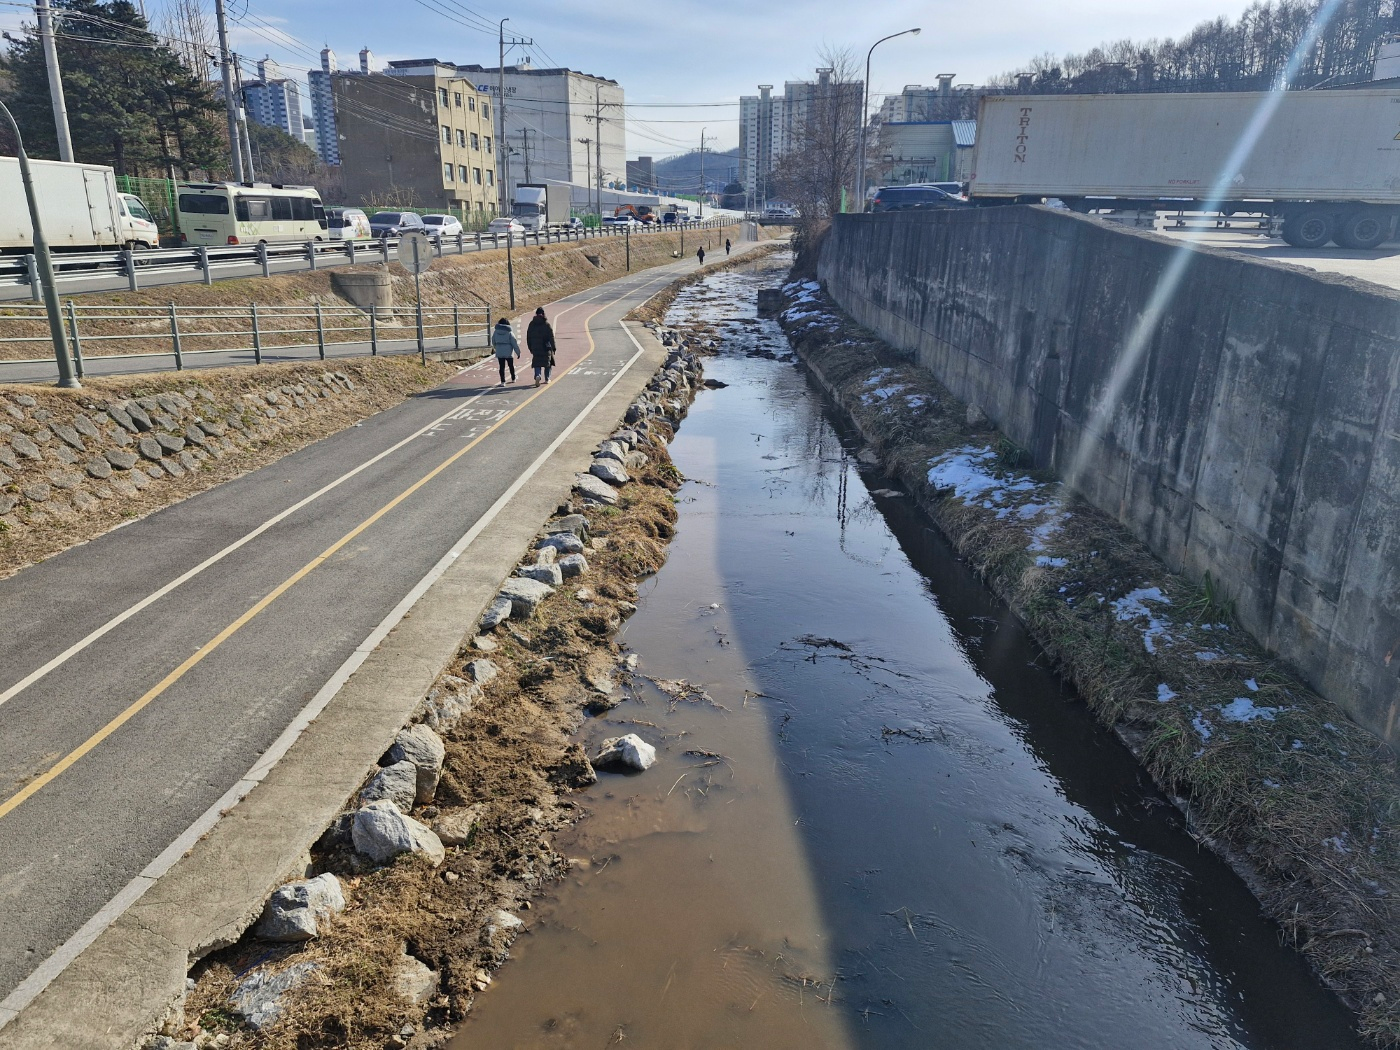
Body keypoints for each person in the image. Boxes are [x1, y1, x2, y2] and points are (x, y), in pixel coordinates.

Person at [527, 306, 557, 387]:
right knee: (548, 362)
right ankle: (547, 378)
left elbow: (528, 336)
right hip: (545, 347)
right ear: (543, 314)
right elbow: (551, 337)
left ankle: (538, 375)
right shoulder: (546, 324)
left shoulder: (532, 324)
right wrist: (553, 347)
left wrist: (530, 347)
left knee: (537, 363)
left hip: (535, 347)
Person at [491, 317, 520, 384]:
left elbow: (493, 341)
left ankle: (502, 381)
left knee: (501, 367)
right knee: (511, 365)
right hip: (508, 352)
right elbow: (514, 343)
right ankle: (513, 378)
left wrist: (496, 347)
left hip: (499, 351)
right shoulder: (509, 332)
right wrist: (518, 352)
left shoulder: (496, 332)